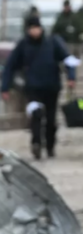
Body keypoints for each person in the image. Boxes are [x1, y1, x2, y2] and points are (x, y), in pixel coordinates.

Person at [1, 16, 77, 159]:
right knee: (36, 117)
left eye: (37, 28)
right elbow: (10, 66)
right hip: (33, 87)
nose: (35, 31)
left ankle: (50, 145)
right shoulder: (23, 45)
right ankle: (36, 144)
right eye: (32, 29)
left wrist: (71, 76)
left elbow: (67, 58)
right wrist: (5, 87)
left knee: (50, 119)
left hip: (52, 86)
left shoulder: (53, 41)